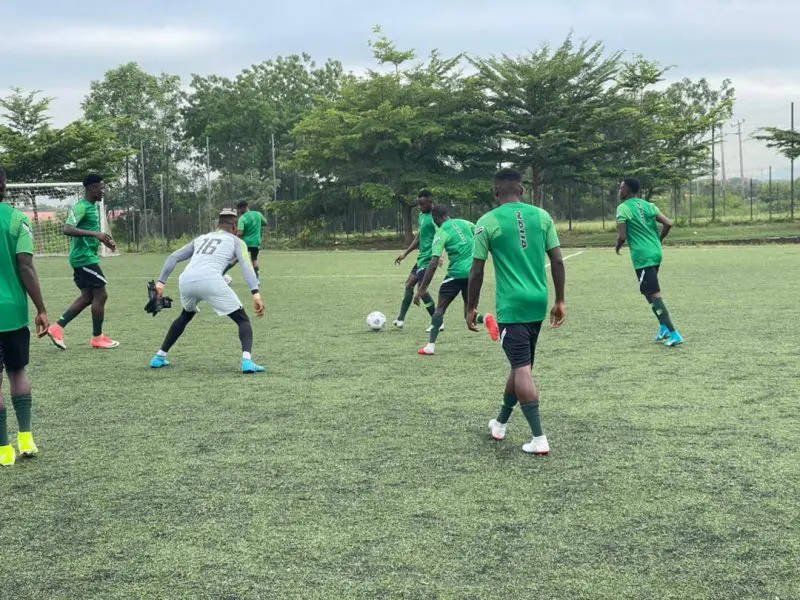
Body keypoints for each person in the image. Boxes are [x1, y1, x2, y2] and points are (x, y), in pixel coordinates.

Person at [466, 169, 566, 456]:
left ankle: (539, 438)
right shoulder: (542, 217)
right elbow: (557, 261)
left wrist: (470, 307)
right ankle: (500, 423)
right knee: (520, 365)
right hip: (538, 302)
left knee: (522, 369)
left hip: (512, 306)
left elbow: (476, 271)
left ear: (495, 193)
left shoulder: (487, 222)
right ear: (522, 190)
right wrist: (560, 301)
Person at [149, 209, 267, 374]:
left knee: (185, 315)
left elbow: (174, 257)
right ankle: (247, 361)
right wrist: (256, 294)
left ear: (218, 224)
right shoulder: (237, 242)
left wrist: (161, 282)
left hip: (186, 280)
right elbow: (247, 267)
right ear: (234, 226)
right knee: (242, 320)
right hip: (210, 280)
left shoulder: (201, 238)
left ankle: (159, 357)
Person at [0, 166, 50, 466]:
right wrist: (41, 309)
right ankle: (26, 439)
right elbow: (25, 266)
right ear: (4, 186)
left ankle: (3, 450)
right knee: (17, 373)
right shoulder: (18, 220)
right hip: (14, 312)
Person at [413, 205, 499, 355]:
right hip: (473, 274)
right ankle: (486, 319)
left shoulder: (441, 232)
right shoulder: (466, 223)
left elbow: (433, 263)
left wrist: (421, 289)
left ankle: (430, 346)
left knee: (440, 309)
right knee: (469, 313)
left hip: (455, 274)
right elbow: (481, 235)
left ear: (436, 219)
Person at [47, 174, 118, 350]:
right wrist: (95, 234)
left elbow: (91, 232)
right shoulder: (81, 207)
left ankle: (57, 328)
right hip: (83, 258)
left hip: (86, 257)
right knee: (101, 294)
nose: (103, 191)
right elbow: (67, 228)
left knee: (88, 297)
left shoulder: (92, 207)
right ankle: (97, 338)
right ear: (92, 189)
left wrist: (104, 240)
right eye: (101, 188)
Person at [615, 178, 683, 346]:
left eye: (621, 188)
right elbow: (668, 223)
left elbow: (622, 236)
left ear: (627, 191)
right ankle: (663, 326)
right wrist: (658, 240)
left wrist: (617, 246)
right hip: (656, 252)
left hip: (642, 256)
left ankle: (674, 334)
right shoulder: (648, 205)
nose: (619, 191)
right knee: (647, 291)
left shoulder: (623, 208)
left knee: (654, 293)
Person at [393, 190, 438, 330]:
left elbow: (442, 236)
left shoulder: (436, 217)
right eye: (418, 204)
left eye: (422, 204)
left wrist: (440, 255)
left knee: (421, 290)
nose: (420, 207)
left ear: (430, 201)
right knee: (409, 285)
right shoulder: (422, 215)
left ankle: (437, 321)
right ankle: (400, 319)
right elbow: (419, 237)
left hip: (430, 259)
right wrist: (405, 254)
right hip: (421, 258)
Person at [223, 201, 268, 282]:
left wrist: (234, 240)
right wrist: (255, 226)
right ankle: (257, 280)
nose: (239, 211)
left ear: (243, 208)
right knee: (254, 261)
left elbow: (240, 232)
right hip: (256, 242)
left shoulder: (242, 218)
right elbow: (265, 223)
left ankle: (221, 274)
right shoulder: (258, 214)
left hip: (245, 243)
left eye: (239, 209)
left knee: (235, 259)